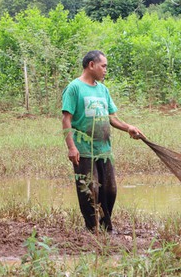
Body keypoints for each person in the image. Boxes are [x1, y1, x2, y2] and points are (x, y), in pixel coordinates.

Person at [61, 50, 144, 233]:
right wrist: (71, 147)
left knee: (109, 189)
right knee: (90, 190)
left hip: (104, 150)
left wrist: (128, 127)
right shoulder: (74, 88)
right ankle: (93, 228)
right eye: (103, 66)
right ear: (92, 65)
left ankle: (105, 225)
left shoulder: (103, 90)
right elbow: (66, 119)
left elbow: (111, 118)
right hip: (83, 150)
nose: (106, 70)